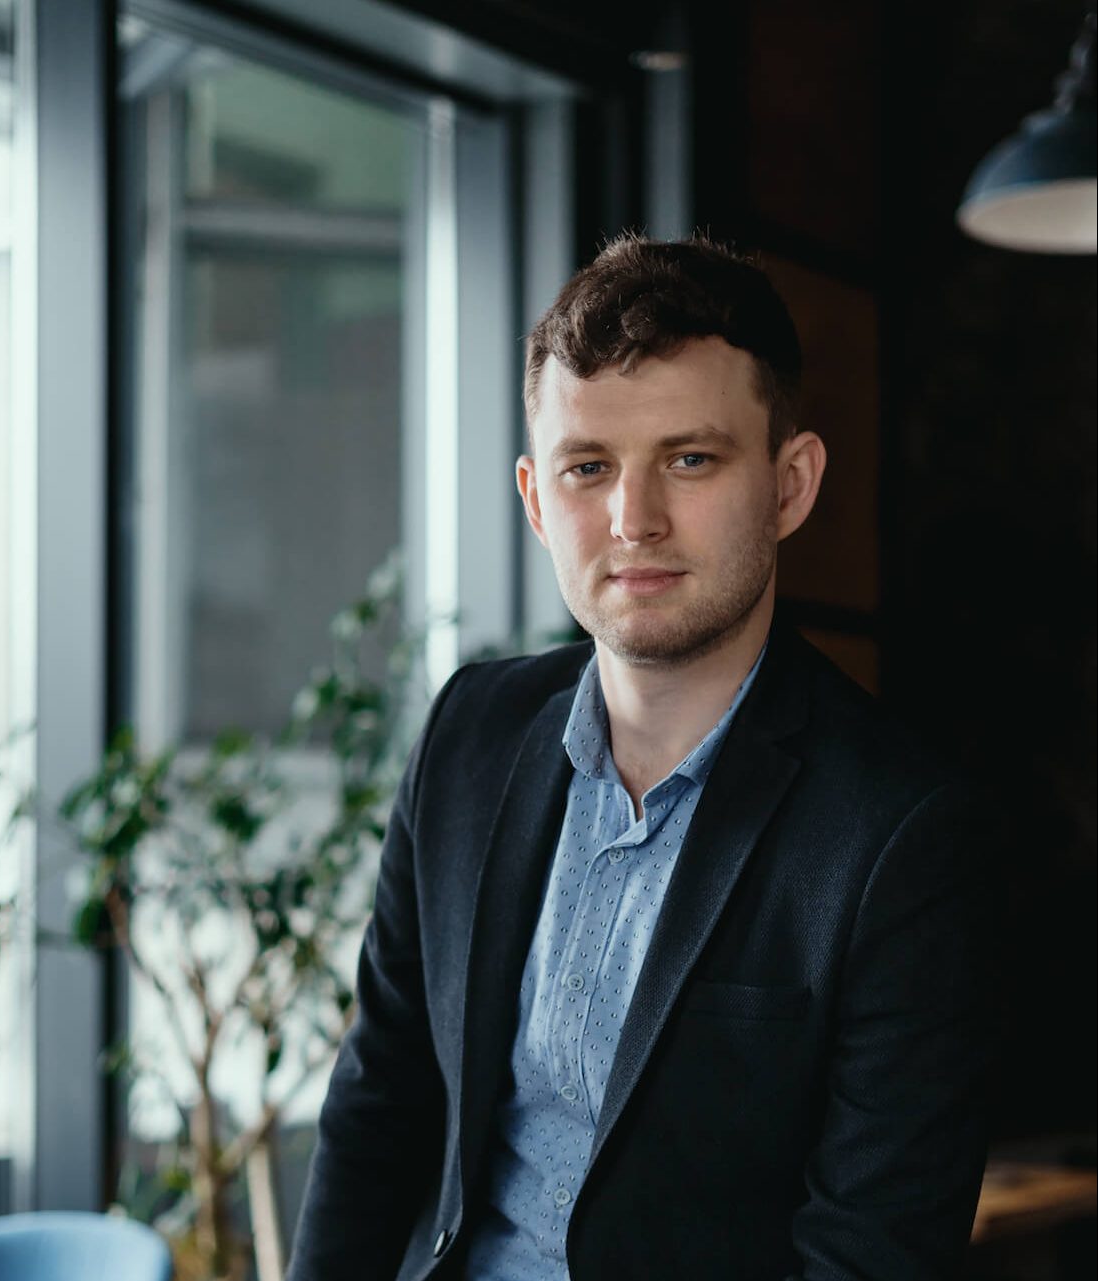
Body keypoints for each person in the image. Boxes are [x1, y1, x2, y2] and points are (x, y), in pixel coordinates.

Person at [287, 235, 989, 1281]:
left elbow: (869, 1256)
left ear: (790, 486)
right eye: (588, 468)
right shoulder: (467, 736)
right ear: (535, 499)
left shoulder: (900, 834)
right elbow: (382, 1094)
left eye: (691, 459)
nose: (633, 519)